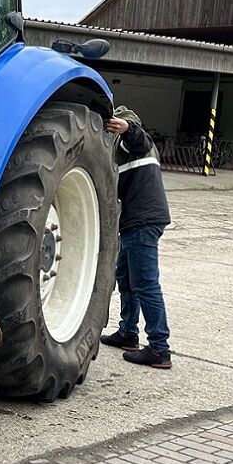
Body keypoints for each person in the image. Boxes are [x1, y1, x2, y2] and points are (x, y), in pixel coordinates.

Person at [100, 106, 173, 369]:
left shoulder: (135, 144)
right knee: (126, 279)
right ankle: (128, 333)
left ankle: (159, 348)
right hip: (135, 221)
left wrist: (128, 129)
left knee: (146, 284)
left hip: (143, 221)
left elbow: (138, 138)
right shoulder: (122, 154)